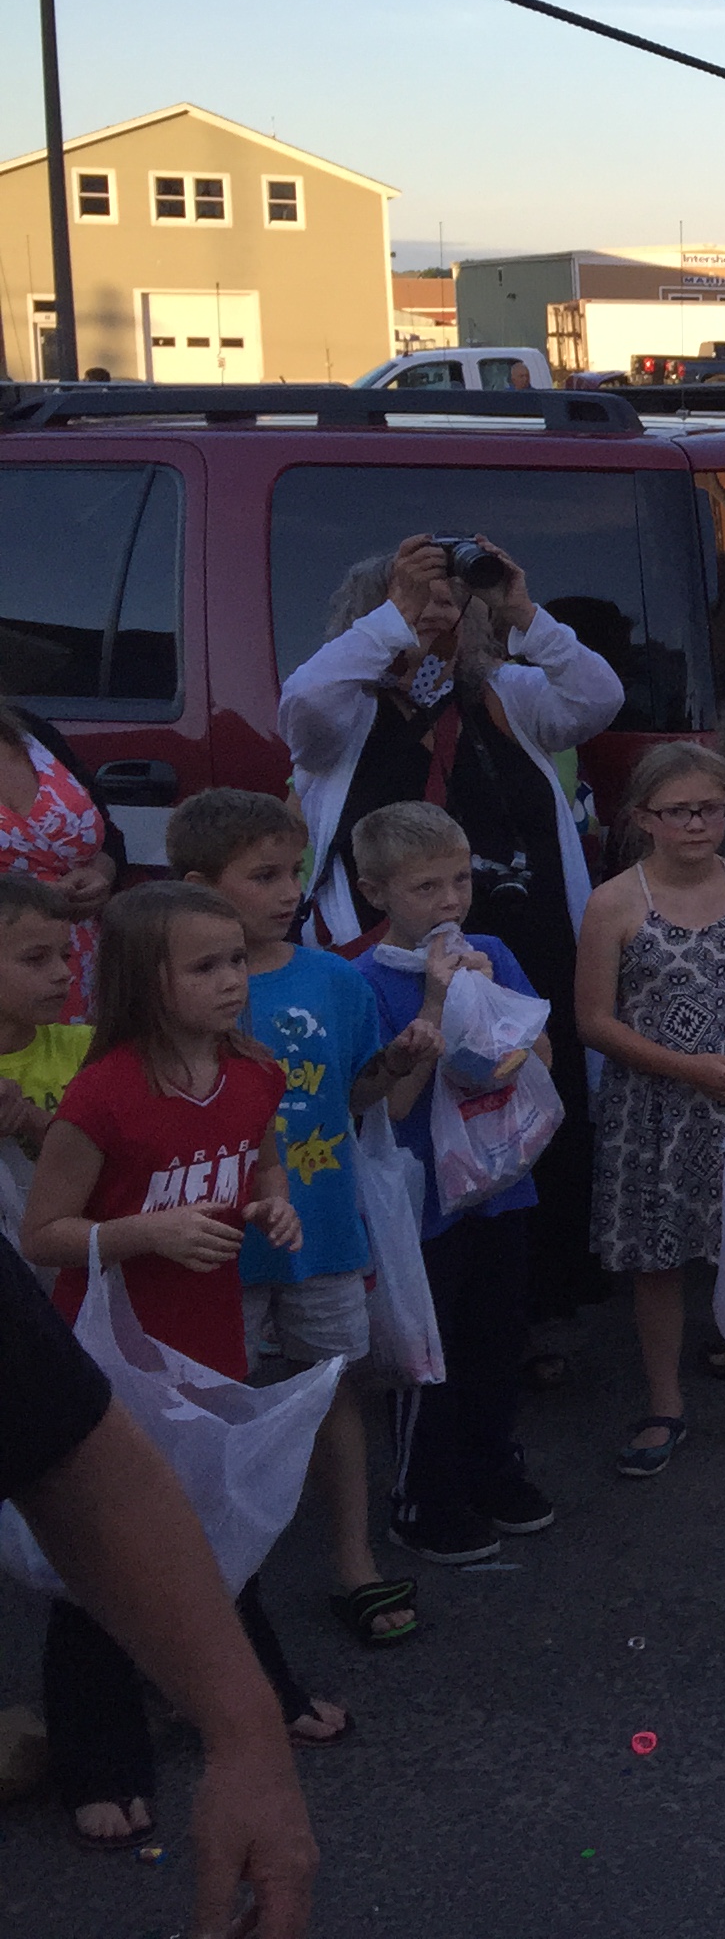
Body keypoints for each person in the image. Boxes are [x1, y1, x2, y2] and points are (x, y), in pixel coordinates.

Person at [22, 882, 349, 1842]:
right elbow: (42, 1234)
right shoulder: (105, 1093)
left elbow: (262, 1160)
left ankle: (254, 1693)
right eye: (205, 967)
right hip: (108, 1357)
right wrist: (146, 1232)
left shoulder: (252, 1072)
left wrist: (273, 1203)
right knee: (105, 1555)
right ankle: (98, 1756)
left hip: (207, 1347)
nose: (233, 980)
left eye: (236, 960)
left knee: (218, 1526)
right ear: (145, 981)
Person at [282, 531, 623, 1333]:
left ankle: (529, 1313)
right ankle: (420, 1316)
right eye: (417, 606)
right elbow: (301, 702)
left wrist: (522, 612)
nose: (437, 620)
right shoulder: (343, 712)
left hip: (515, 947)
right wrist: (393, 623)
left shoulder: (501, 693)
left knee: (525, 1116)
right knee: (410, 1126)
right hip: (391, 960)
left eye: (448, 606)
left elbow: (597, 697)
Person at [169, 791, 441, 1640]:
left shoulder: (334, 979)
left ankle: (354, 1559)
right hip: (212, 1242)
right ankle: (218, 1576)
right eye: (264, 875)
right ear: (198, 887)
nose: (289, 891)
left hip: (321, 1231)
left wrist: (397, 1061)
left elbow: (359, 1096)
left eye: (295, 872)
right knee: (217, 1404)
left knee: (330, 1389)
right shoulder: (172, 992)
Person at [2, 1245, 318, 1931]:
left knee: (210, 1538)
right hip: (120, 1335)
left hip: (187, 1356)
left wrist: (247, 1738)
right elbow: (44, 1232)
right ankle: (98, 1760)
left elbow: (78, 1466)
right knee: (83, 1626)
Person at [577, 741, 725, 1476]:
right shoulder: (614, 902)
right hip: (652, 1107)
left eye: (711, 808)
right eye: (679, 811)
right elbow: (594, 1021)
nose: (697, 824)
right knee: (657, 1260)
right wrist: (683, 1068)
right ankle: (665, 1404)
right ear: (645, 817)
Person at [342, 803, 561, 1568]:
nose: (450, 902)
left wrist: (490, 1007)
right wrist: (438, 1004)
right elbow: (394, 1104)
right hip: (422, 1200)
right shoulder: (365, 981)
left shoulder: (492, 952)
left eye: (461, 881)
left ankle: (492, 1468)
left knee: (496, 1337)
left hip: (499, 1181)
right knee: (427, 1350)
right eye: (426, 887)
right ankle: (424, 1497)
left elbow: (541, 1064)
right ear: (376, 892)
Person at [0, 691, 123, 1021]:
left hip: (85, 976)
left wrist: (102, 872)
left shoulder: (31, 731)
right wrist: (24, 901)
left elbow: (110, 835)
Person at [0, 871, 91, 1154]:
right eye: (36, 958)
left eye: (65, 956)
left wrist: (27, 1116)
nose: (64, 973)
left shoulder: (89, 1049)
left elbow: (116, 1160)